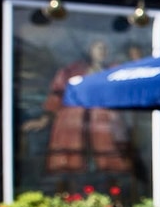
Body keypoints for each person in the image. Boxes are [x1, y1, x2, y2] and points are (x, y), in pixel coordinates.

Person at [22, 39, 133, 177]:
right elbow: (57, 94)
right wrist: (44, 119)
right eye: (98, 47)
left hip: (104, 125)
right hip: (73, 124)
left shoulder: (114, 71)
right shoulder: (71, 71)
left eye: (105, 48)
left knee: (110, 165)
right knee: (71, 165)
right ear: (90, 50)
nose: (102, 51)